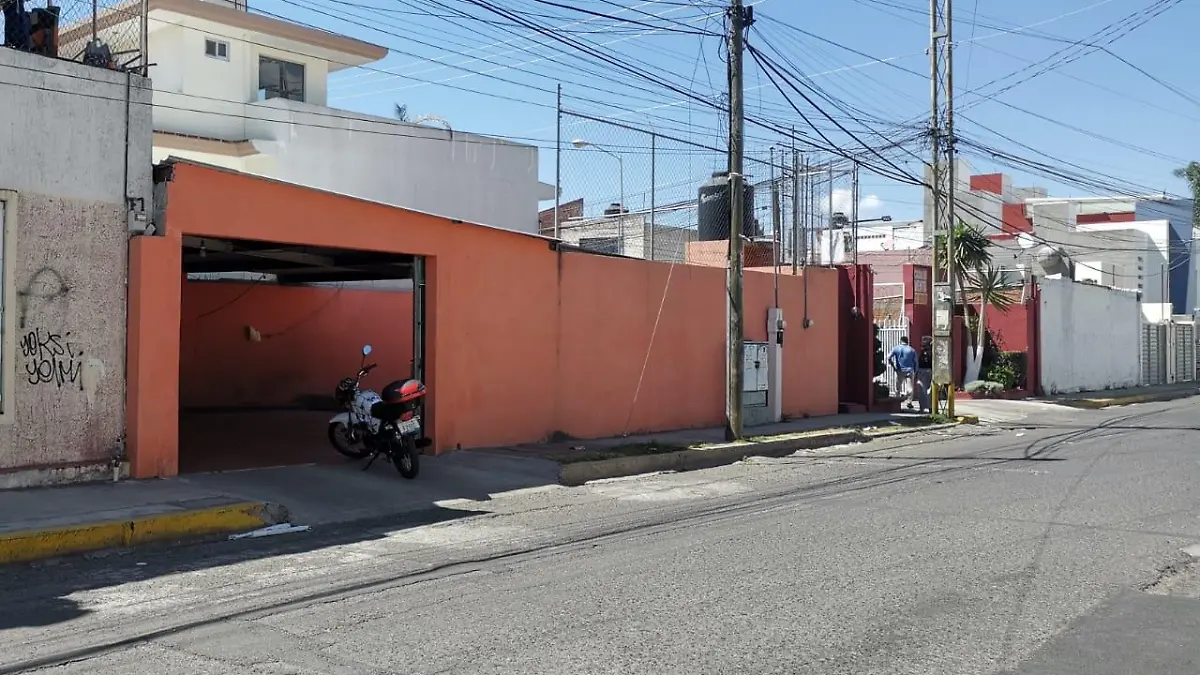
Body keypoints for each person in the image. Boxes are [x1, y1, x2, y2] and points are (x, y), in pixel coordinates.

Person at [888, 335, 919, 410]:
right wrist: (915, 371)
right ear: (907, 341)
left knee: (898, 387)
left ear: (901, 341)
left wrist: (893, 366)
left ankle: (897, 401)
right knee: (910, 387)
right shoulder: (911, 350)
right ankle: (909, 402)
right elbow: (915, 362)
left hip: (899, 370)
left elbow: (889, 357)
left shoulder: (896, 348)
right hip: (910, 370)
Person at [917, 336, 933, 412]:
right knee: (924, 390)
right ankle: (926, 407)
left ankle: (927, 407)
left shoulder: (928, 352)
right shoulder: (928, 352)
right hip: (925, 371)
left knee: (925, 390)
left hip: (926, 371)